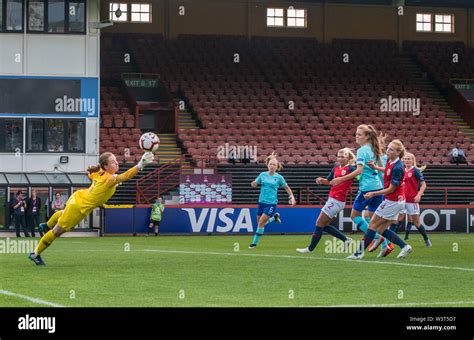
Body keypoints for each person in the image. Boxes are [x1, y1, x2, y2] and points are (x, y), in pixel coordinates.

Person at [30, 151, 155, 265]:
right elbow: (124, 177)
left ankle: (46, 225)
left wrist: (93, 169)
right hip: (79, 208)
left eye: (115, 160)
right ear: (105, 166)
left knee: (63, 214)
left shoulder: (100, 173)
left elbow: (90, 173)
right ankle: (35, 254)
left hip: (77, 198)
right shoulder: (109, 179)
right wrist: (140, 165)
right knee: (57, 231)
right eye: (112, 162)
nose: (116, 162)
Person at [329, 125, 390, 254]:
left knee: (355, 215)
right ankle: (386, 246)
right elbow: (380, 168)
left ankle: (377, 238)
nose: (356, 136)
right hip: (377, 187)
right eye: (356, 134)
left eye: (359, 134)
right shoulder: (374, 148)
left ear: (367, 136)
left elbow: (360, 170)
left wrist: (341, 179)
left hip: (367, 188)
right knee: (374, 221)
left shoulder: (362, 150)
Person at [347, 140, 413, 259]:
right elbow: (387, 171)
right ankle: (404, 246)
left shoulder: (398, 167)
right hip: (396, 201)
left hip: (392, 201)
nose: (388, 150)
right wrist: (375, 167)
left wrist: (373, 193)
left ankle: (358, 253)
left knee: (372, 225)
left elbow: (391, 189)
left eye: (391, 149)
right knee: (381, 229)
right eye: (388, 148)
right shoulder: (391, 162)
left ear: (398, 152)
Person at [296, 148, 355, 254]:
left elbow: (359, 174)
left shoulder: (351, 169)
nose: (340, 158)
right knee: (323, 226)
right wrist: (321, 180)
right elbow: (329, 181)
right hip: (332, 199)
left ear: (348, 157)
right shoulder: (336, 168)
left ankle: (310, 249)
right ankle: (346, 240)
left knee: (319, 223)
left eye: (343, 156)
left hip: (337, 200)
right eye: (339, 156)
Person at [249, 152, 296, 249]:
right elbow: (255, 183)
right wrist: (253, 183)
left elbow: (286, 187)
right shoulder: (262, 175)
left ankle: (254, 243)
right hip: (261, 202)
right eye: (270, 164)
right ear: (267, 165)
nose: (272, 166)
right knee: (260, 223)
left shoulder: (279, 177)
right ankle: (274, 218)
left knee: (261, 222)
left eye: (274, 164)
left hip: (271, 204)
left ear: (277, 166)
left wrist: (292, 196)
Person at [400, 152, 431, 246]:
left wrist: (419, 195)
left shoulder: (415, 171)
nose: (407, 160)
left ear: (413, 160)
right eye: (405, 158)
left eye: (409, 159)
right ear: (403, 160)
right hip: (401, 200)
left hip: (411, 200)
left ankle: (426, 239)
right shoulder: (401, 170)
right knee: (397, 219)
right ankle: (391, 241)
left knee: (417, 223)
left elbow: (424, 184)